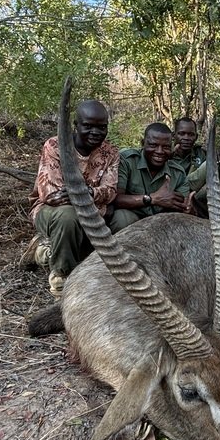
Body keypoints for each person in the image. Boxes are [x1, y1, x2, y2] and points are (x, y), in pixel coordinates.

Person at [23, 99, 119, 296]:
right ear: (76, 125)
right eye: (88, 126)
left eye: (102, 127)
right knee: (68, 216)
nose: (96, 132)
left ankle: (46, 252)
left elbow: (110, 191)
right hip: (52, 211)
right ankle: (61, 277)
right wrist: (95, 197)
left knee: (122, 219)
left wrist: (89, 194)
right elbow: (53, 195)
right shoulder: (55, 145)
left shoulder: (111, 152)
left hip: (90, 212)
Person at [110, 121, 192, 232]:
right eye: (153, 145)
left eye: (166, 147)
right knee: (121, 219)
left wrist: (187, 209)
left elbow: (181, 207)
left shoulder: (178, 173)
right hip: (133, 219)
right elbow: (116, 199)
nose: (159, 151)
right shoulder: (127, 161)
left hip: (162, 223)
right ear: (143, 143)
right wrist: (153, 198)